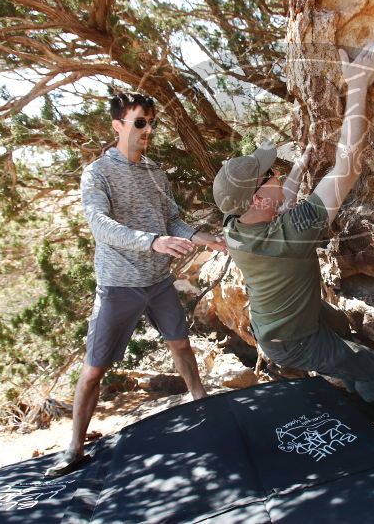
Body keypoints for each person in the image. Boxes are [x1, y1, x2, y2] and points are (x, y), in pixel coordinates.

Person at [212, 40, 374, 406]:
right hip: (294, 342)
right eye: (270, 172)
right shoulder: (290, 234)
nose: (278, 171)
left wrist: (299, 169)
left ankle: (348, 380)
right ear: (255, 198)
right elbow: (347, 169)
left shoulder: (234, 222)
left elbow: (276, 201)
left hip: (288, 322)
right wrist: (358, 85)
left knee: (341, 331)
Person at [46, 92, 226, 478]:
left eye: (151, 123)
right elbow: (100, 225)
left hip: (158, 280)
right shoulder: (97, 173)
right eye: (139, 122)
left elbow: (172, 220)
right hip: (118, 285)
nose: (147, 130)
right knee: (94, 369)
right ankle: (74, 448)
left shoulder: (155, 172)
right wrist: (151, 241)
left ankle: (201, 403)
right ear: (117, 126)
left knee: (180, 344)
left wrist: (201, 237)